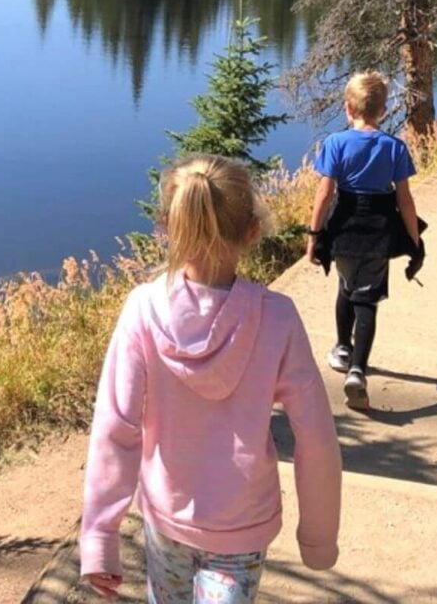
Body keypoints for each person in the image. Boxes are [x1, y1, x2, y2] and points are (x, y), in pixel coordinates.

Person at [80, 154, 341, 603]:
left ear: (166, 226)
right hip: (242, 524)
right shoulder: (276, 317)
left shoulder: (143, 309)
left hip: (166, 516)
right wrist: (318, 537)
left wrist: (100, 538)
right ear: (252, 231)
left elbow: (115, 429)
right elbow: (315, 435)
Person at [305, 72, 420, 411]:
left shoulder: (335, 144)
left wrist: (314, 237)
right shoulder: (395, 147)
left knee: (345, 284)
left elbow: (325, 194)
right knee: (367, 300)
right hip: (378, 231)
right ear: (383, 110)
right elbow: (405, 200)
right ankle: (357, 369)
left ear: (348, 108)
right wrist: (414, 240)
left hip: (344, 228)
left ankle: (342, 347)